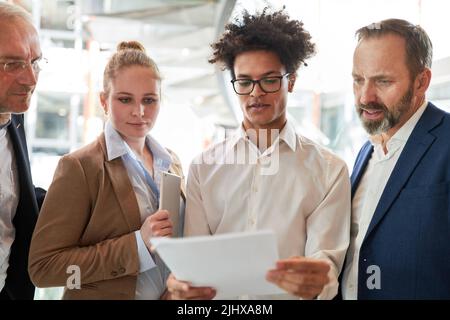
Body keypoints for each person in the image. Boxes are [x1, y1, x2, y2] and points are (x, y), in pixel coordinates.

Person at [167, 8, 350, 300]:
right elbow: (196, 261)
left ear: (291, 81)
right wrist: (183, 286)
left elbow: (325, 270)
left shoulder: (329, 170)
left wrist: (316, 279)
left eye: (269, 80)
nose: (255, 93)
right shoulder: (204, 168)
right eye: (244, 81)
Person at [28, 41, 186, 300]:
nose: (139, 112)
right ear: (104, 100)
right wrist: (136, 245)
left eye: (149, 100)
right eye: (125, 99)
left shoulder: (172, 162)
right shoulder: (80, 167)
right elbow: (44, 269)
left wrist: (173, 287)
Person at [341, 19, 450, 299]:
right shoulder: (366, 152)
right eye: (358, 80)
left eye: (383, 81)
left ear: (421, 81)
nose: (366, 96)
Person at [0, 2, 46, 300]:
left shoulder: (14, 117)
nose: (30, 79)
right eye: (12, 64)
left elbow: (15, 196)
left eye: (35, 62)